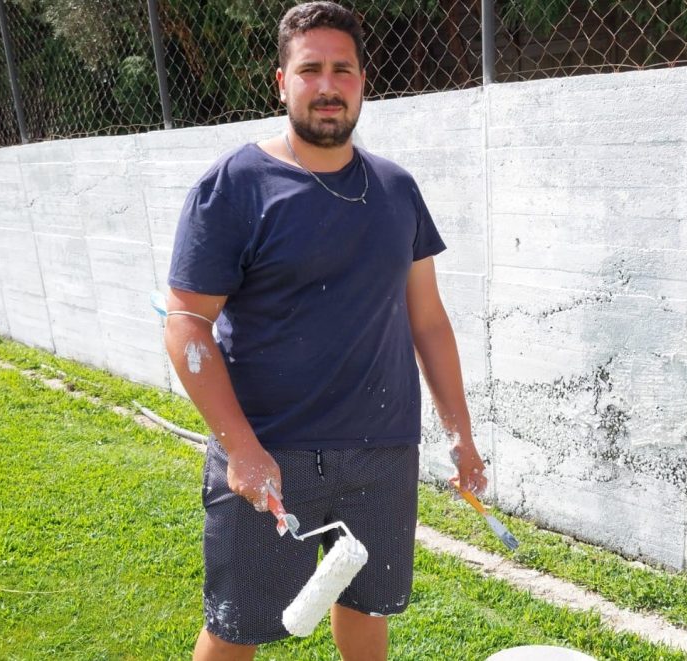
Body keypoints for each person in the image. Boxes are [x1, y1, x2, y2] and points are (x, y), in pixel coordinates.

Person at [163, 3, 487, 659]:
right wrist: (242, 448)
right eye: (310, 69)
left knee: (365, 607)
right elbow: (187, 321)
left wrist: (462, 437)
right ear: (281, 82)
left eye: (343, 69)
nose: (328, 84)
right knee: (237, 625)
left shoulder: (397, 189)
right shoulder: (234, 186)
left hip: (381, 453)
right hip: (269, 455)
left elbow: (428, 320)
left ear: (364, 81)